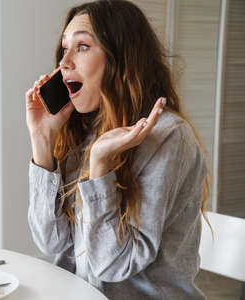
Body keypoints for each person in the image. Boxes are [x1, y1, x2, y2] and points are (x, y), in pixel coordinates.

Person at [25, 1, 209, 299]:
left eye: (82, 46)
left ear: (120, 58)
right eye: (64, 49)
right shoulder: (83, 130)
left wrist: (100, 164)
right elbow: (50, 244)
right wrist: (42, 139)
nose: (64, 63)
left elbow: (112, 266)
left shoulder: (169, 137)